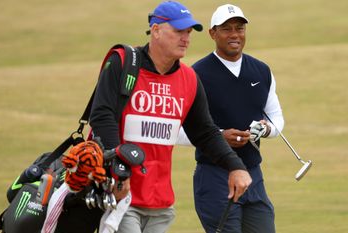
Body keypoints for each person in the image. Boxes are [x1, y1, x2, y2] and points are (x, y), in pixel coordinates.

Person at [89, 1, 252, 233]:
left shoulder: (189, 78)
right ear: (156, 30)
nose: (185, 38)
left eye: (188, 32)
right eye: (178, 31)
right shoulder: (122, 62)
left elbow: (204, 132)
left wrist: (236, 166)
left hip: (161, 204)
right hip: (121, 195)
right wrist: (119, 171)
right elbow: (101, 116)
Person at [177, 4, 285, 233]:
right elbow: (176, 129)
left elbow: (276, 118)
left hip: (253, 174)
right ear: (212, 34)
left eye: (239, 28)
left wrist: (266, 130)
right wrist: (218, 137)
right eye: (226, 29)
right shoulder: (195, 75)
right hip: (215, 176)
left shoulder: (261, 71)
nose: (235, 34)